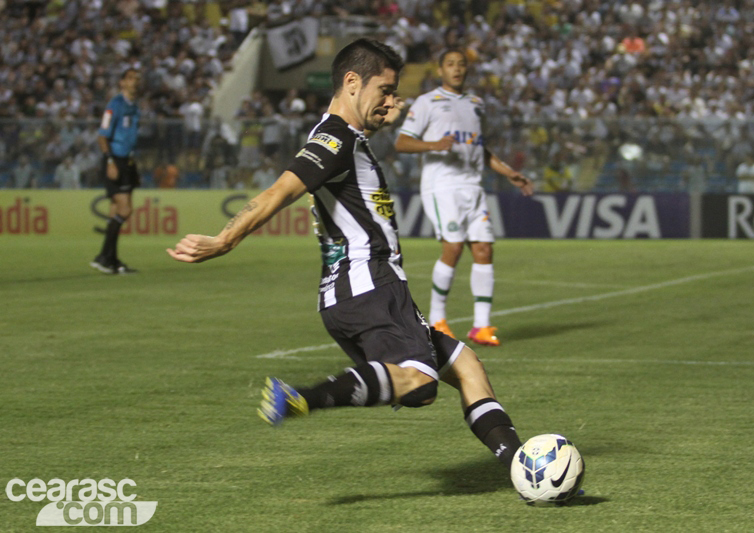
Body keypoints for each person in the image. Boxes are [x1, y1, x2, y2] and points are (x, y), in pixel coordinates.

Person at [167, 39, 523, 473]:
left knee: (468, 367)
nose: (393, 101)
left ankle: (518, 466)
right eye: (386, 91)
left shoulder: (346, 135)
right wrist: (225, 239)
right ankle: (304, 397)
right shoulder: (333, 140)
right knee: (420, 382)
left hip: (363, 290)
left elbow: (359, 137)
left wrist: (383, 117)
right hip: (369, 286)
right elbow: (281, 190)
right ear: (352, 82)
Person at [394, 48, 534, 347]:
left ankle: (481, 326)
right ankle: (437, 320)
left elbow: (478, 148)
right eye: (450, 64)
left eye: (461, 64)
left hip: (473, 186)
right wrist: (433, 145)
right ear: (440, 70)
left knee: (484, 249)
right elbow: (402, 142)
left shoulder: (475, 104)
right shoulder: (427, 102)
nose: (456, 69)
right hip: (442, 186)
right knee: (454, 248)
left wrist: (508, 172)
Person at [90, 68, 142, 275]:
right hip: (115, 160)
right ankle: (105, 257)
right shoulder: (115, 105)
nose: (135, 82)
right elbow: (102, 136)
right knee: (125, 210)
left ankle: (109, 259)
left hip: (127, 161)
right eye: (130, 78)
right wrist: (109, 161)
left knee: (116, 211)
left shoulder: (135, 106)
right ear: (122, 82)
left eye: (137, 79)